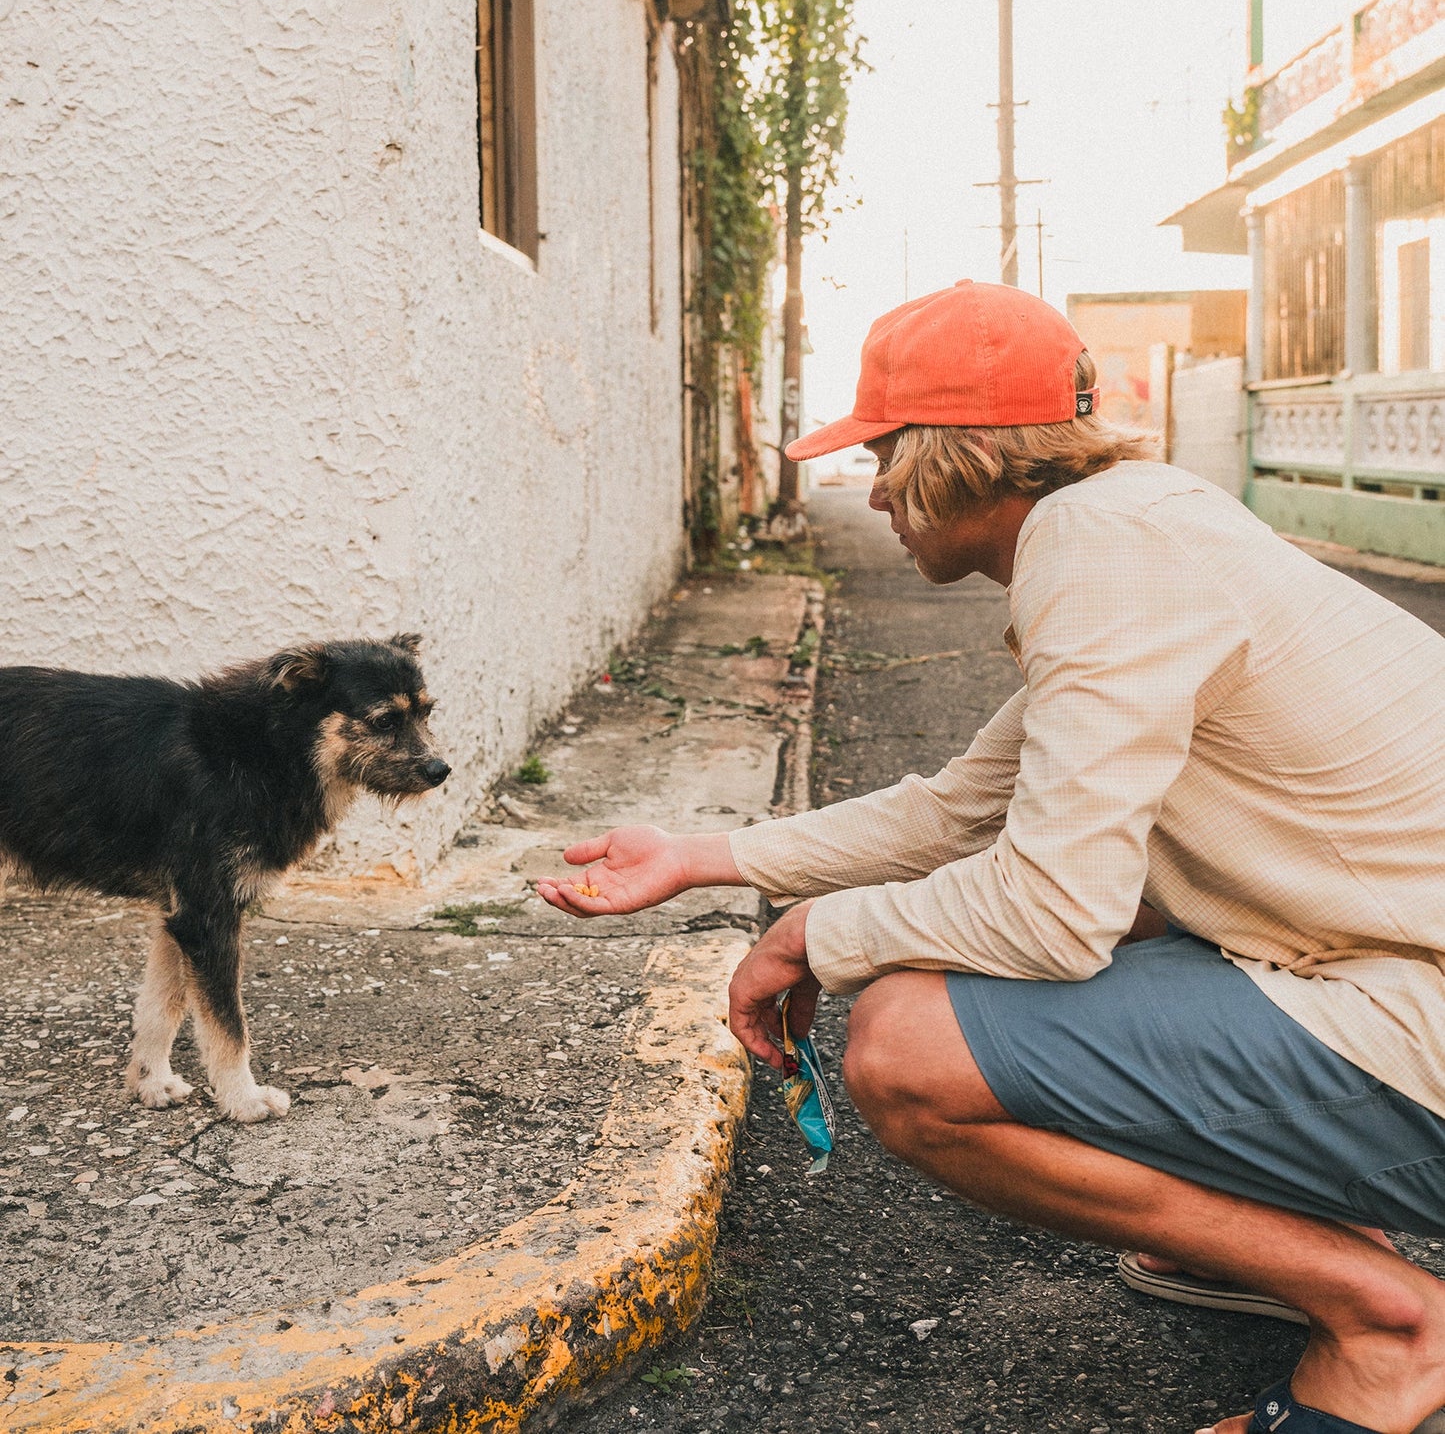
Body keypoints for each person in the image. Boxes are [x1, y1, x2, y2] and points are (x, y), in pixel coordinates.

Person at [537, 280, 1445, 1434]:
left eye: (884, 451)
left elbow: (1057, 908)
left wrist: (817, 931)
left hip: (1415, 1011)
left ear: (956, 455)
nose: (874, 491)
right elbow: (960, 807)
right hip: (1384, 964)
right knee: (1136, 895)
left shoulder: (1096, 550)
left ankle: (1386, 1320)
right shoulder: (1139, 521)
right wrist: (696, 853)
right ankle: (1292, 1240)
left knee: (909, 1041)